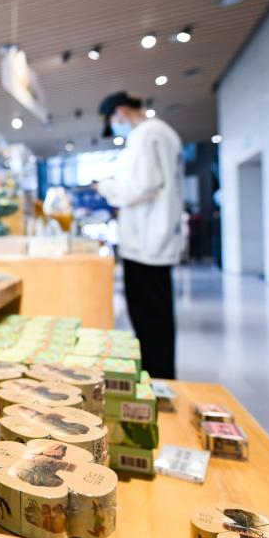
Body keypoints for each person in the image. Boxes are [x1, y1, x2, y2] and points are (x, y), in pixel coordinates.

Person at [96, 91, 184, 379]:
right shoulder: (164, 133)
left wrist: (106, 187)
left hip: (147, 243)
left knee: (149, 319)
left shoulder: (145, 134)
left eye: (112, 120)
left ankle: (156, 379)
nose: (115, 126)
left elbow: (140, 186)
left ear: (120, 112)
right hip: (155, 241)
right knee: (156, 318)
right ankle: (159, 376)